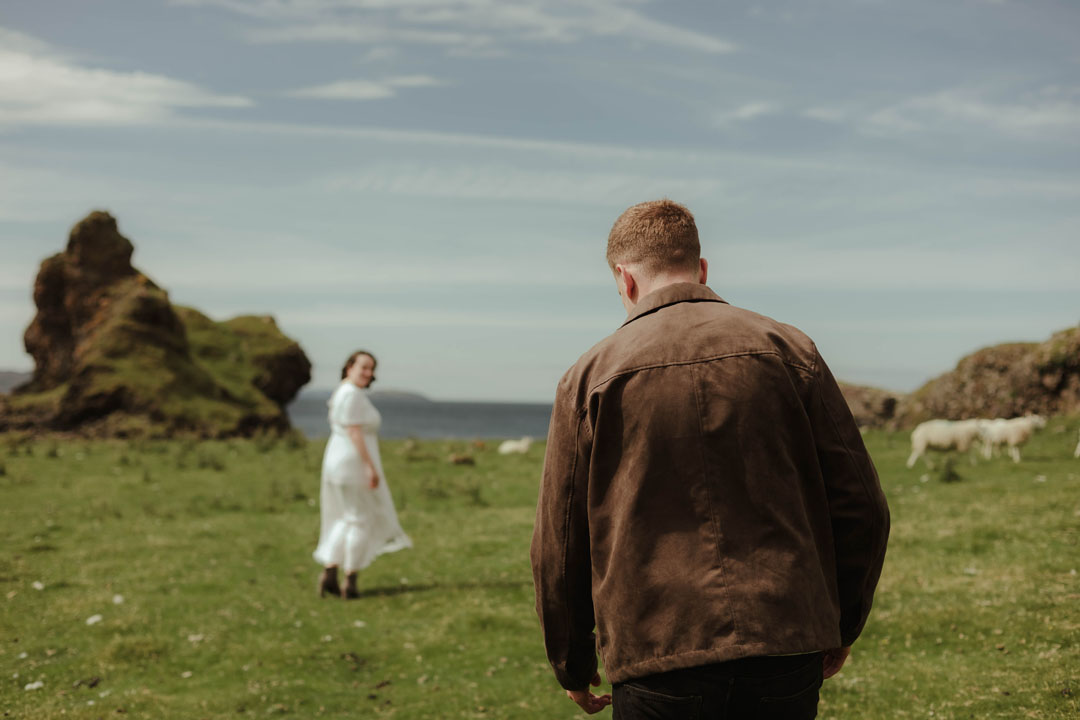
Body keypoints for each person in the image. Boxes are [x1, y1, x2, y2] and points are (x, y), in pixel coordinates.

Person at [530, 200, 890, 718]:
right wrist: (837, 621)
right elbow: (862, 506)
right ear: (701, 269)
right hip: (785, 639)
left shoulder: (588, 376)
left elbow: (559, 544)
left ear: (624, 279)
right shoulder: (790, 349)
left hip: (657, 648)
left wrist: (571, 660)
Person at [314, 350, 412, 599]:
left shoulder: (341, 391)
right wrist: (370, 466)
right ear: (349, 367)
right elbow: (354, 431)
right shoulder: (353, 395)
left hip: (335, 460)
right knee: (359, 519)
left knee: (344, 517)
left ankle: (329, 572)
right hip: (351, 462)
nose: (369, 373)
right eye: (364, 367)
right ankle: (350, 580)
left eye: (371, 369)